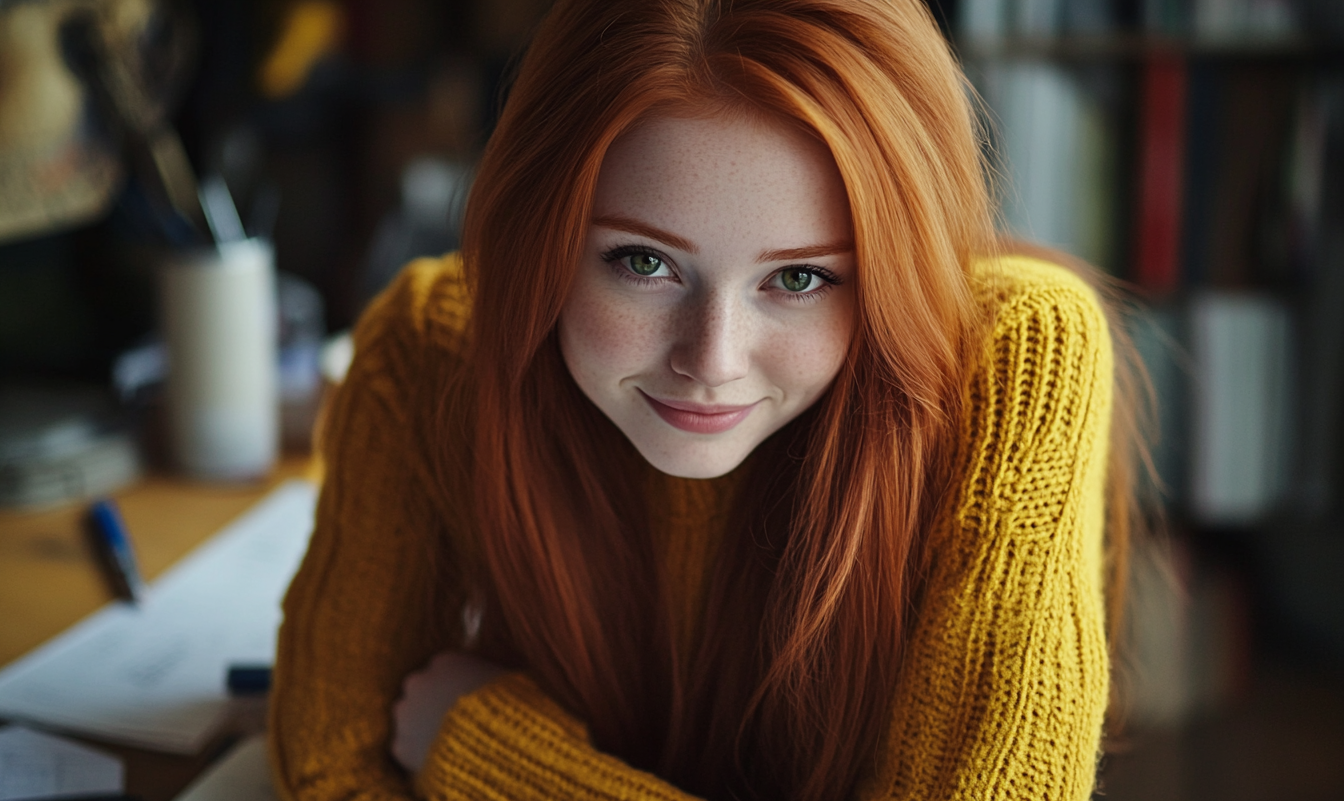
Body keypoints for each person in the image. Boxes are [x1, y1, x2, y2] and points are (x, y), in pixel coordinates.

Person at [269, 0, 1140, 799]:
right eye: (643, 262)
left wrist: (493, 757)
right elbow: (328, 769)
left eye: (798, 278)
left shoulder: (1020, 361)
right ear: (542, 229)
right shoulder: (432, 354)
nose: (712, 360)